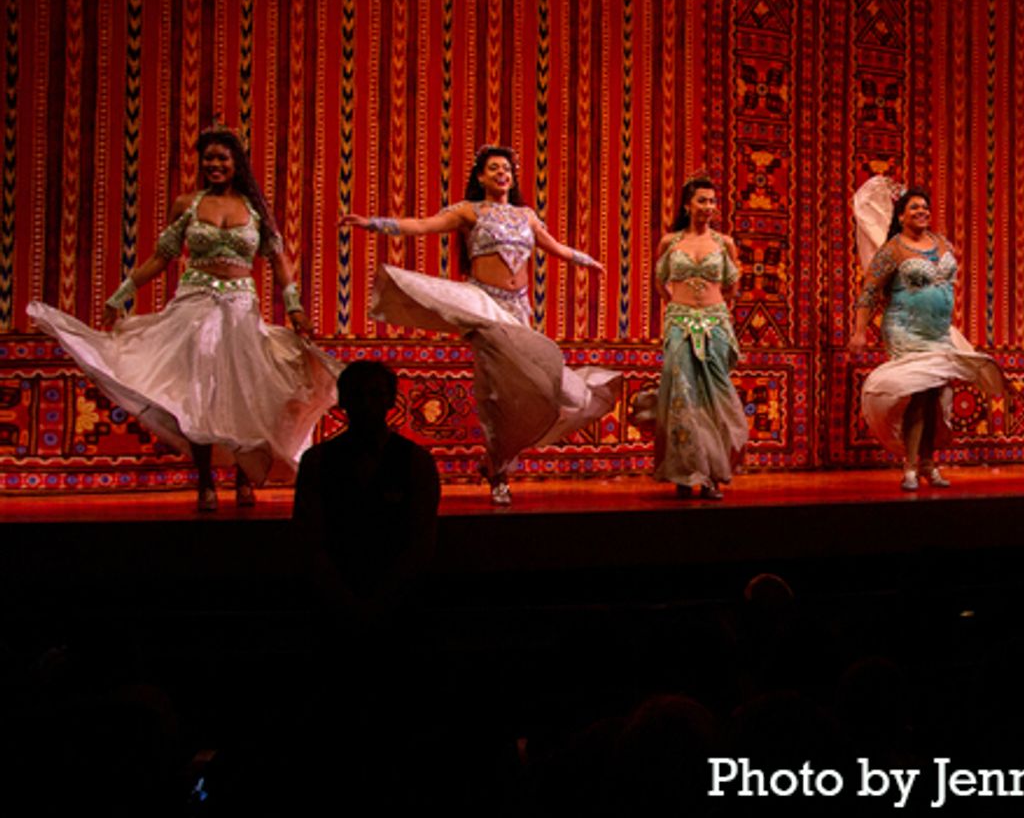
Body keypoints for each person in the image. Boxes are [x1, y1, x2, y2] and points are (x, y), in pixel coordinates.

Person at [27, 124, 339, 511]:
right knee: (199, 393)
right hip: (195, 305)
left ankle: (244, 477)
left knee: (246, 391)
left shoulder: (254, 207)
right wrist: (121, 295)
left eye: (221, 158)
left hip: (241, 308)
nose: (214, 164)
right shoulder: (188, 204)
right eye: (208, 158)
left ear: (235, 162)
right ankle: (206, 481)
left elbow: (279, 261)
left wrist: (294, 308)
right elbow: (162, 257)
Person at [341, 144, 619, 506]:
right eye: (493, 168)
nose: (502, 173)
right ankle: (500, 473)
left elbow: (557, 248)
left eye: (507, 168)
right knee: (497, 397)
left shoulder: (526, 216)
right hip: (485, 308)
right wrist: (374, 224)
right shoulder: (469, 211)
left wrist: (587, 261)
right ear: (481, 177)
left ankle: (500, 458)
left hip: (519, 312)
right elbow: (423, 225)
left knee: (546, 390)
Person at [849, 178, 1004, 490]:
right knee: (919, 395)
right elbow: (869, 293)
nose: (921, 211)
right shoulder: (892, 250)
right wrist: (859, 332)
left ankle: (929, 463)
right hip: (905, 331)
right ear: (902, 216)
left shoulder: (942, 243)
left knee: (935, 397)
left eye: (924, 207)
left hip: (938, 333)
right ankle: (910, 466)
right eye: (914, 208)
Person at [293, 360, 439, 626]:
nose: (367, 405)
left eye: (375, 395)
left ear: (390, 401)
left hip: (398, 606)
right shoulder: (317, 461)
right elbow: (309, 538)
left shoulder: (416, 461)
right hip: (335, 604)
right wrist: (344, 601)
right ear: (344, 401)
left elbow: (421, 540)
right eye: (358, 395)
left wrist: (383, 600)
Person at [651, 175, 748, 499]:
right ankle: (684, 470)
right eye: (701, 201)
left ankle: (713, 473)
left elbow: (733, 286)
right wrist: (677, 310)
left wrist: (714, 311)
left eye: (712, 201)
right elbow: (659, 282)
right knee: (682, 396)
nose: (708, 207)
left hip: (715, 324)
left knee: (713, 397)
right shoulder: (670, 242)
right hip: (679, 323)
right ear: (687, 205)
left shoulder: (724, 244)